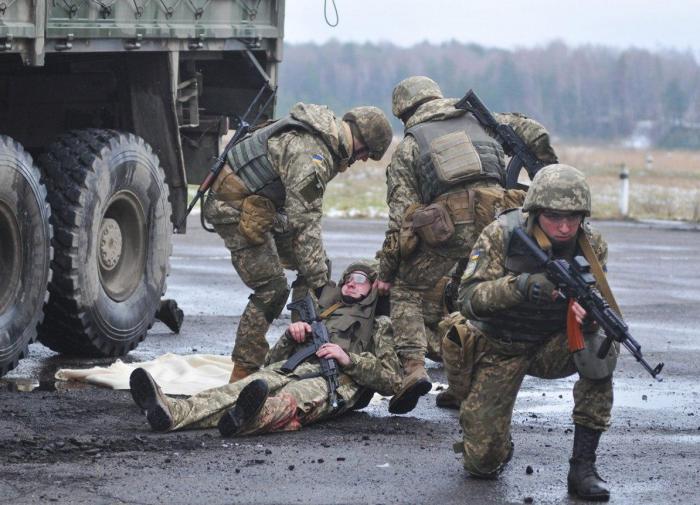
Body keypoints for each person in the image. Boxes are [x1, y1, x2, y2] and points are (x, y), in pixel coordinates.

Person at [374, 76, 557, 413]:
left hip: (448, 229)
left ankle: (413, 370)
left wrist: (386, 270)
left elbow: (401, 220)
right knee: (473, 296)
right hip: (499, 222)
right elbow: (535, 133)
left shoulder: (410, 145)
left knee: (406, 289)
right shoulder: (483, 122)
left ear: (404, 112)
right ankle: (465, 385)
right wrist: (549, 169)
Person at [445, 164, 616, 501]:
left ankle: (583, 466)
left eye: (574, 218)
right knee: (481, 464)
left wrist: (589, 319)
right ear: (536, 211)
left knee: (601, 350)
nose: (565, 227)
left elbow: (595, 300)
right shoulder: (502, 234)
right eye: (555, 217)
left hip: (552, 344)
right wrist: (521, 287)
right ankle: (497, 443)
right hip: (499, 346)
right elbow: (467, 300)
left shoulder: (592, 244)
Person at [203, 103, 393, 382]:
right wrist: (319, 284)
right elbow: (305, 223)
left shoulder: (321, 135)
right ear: (361, 143)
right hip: (233, 208)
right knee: (272, 288)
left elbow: (301, 224)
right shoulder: (313, 153)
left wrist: (315, 274)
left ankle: (305, 337)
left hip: (260, 206)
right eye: (366, 154)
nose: (361, 161)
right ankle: (243, 370)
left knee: (315, 264)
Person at [128, 261, 428, 437]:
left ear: (373, 289)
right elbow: (272, 361)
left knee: (289, 401)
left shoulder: (379, 324)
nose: (351, 284)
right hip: (291, 367)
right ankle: (172, 412)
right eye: (348, 279)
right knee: (240, 389)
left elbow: (390, 380)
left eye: (360, 280)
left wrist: (347, 358)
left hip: (335, 382)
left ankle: (247, 419)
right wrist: (291, 336)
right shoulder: (323, 313)